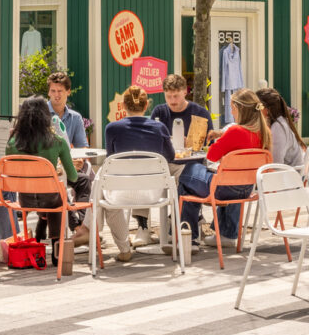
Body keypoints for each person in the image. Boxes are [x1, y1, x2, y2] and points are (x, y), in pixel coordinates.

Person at [177, 89, 267, 248]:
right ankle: (226, 233)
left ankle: (189, 238)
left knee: (187, 174)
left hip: (222, 189)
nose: (231, 112)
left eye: (232, 108)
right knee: (214, 178)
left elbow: (212, 155)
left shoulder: (235, 131)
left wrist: (222, 141)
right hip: (246, 189)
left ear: (239, 108)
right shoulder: (264, 133)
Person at [100, 85, 176, 261]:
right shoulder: (159, 128)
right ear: (146, 105)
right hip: (153, 193)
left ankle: (122, 247)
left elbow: (111, 158)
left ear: (123, 105)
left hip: (120, 193)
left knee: (103, 194)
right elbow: (170, 156)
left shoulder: (112, 128)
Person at [6, 96, 91, 248]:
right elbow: (72, 176)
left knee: (52, 192)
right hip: (51, 198)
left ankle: (41, 232)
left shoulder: (12, 143)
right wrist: (59, 169)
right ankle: (62, 242)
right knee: (60, 193)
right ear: (46, 116)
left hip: (25, 199)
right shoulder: (57, 141)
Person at [151, 72, 211, 147]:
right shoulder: (159, 113)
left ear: (185, 92)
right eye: (168, 96)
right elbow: (151, 141)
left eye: (176, 96)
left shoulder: (200, 113)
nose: (172, 101)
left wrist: (189, 145)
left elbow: (210, 145)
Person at [255, 87, 307, 170]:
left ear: (267, 109)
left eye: (257, 107)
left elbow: (276, 164)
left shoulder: (278, 128)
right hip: (291, 172)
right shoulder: (280, 122)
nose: (255, 111)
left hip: (290, 175)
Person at [45, 72, 88, 149]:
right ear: (48, 92)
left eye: (60, 91)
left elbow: (82, 148)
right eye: (53, 91)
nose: (56, 94)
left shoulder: (75, 118)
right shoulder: (38, 114)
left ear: (68, 92)